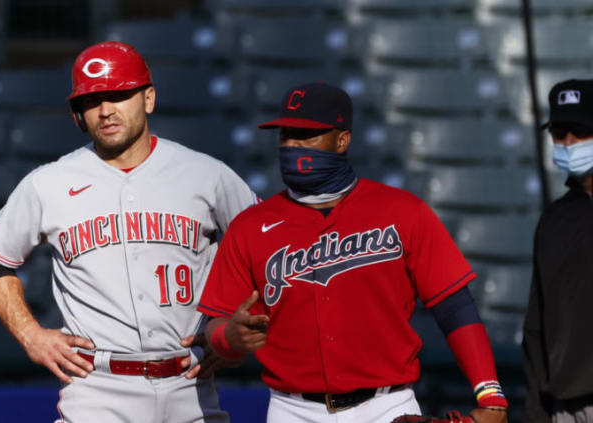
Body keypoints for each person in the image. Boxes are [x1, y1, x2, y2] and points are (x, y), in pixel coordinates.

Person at [0, 41, 259, 422]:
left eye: (119, 94)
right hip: (98, 387)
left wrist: (229, 333)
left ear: (148, 98)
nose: (105, 110)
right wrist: (31, 335)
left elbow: (267, 249)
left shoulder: (207, 174)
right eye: (92, 101)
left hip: (190, 385)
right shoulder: (49, 183)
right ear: (77, 115)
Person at [196, 82, 509, 423]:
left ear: (342, 140)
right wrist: (229, 337)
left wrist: (490, 394)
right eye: (286, 135)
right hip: (292, 410)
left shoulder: (403, 211)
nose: (292, 146)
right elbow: (217, 326)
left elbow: (455, 306)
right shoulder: (251, 226)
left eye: (306, 135)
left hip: (387, 406)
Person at [523, 78, 593, 423]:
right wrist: (536, 413)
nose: (567, 143)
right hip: (564, 406)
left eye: (579, 132)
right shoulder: (554, 219)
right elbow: (537, 326)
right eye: (559, 133)